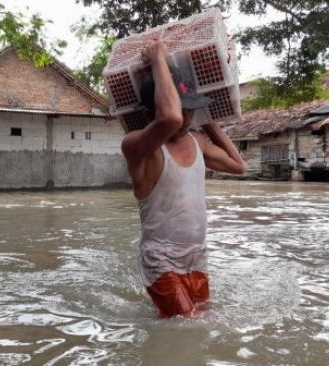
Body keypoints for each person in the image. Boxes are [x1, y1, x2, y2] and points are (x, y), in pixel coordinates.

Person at [121, 40, 246, 317]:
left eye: (191, 108)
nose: (186, 116)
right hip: (161, 259)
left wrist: (210, 121)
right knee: (185, 326)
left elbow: (239, 166)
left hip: (196, 256)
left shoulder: (198, 141)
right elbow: (170, 118)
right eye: (183, 108)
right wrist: (158, 59)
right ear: (149, 113)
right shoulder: (138, 147)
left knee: (201, 319)